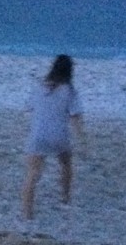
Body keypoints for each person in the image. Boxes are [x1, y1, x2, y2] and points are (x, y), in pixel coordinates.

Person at [21, 54, 84, 219]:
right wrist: (81, 137)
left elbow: (28, 107)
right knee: (66, 164)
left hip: (39, 134)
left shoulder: (39, 87)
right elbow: (75, 117)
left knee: (33, 173)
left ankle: (27, 212)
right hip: (59, 135)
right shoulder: (69, 91)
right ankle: (65, 197)